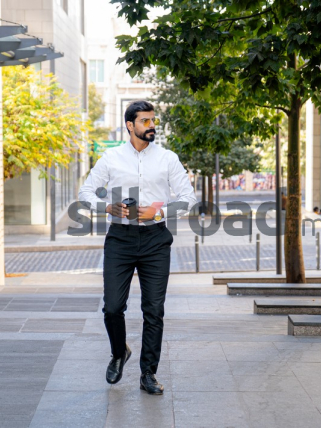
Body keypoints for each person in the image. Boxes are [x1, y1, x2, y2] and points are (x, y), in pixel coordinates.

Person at [78, 100, 196, 394]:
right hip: (120, 238)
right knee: (112, 308)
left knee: (154, 310)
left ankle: (148, 374)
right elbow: (85, 193)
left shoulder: (168, 158)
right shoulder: (111, 158)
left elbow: (188, 198)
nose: (151, 125)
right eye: (145, 121)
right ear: (130, 125)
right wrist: (107, 208)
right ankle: (119, 352)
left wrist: (158, 212)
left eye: (153, 120)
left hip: (156, 239)